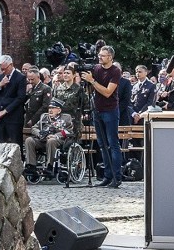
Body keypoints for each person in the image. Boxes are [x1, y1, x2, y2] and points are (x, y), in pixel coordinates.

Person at [81, 45, 123, 188]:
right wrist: (87, 82)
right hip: (97, 110)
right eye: (99, 55)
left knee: (113, 144)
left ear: (110, 57)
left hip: (110, 110)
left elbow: (107, 92)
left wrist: (92, 81)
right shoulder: (97, 69)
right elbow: (91, 90)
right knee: (102, 145)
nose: (100, 57)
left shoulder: (115, 71)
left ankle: (117, 176)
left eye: (103, 55)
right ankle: (107, 175)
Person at [24, 98, 74, 172]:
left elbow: (69, 131)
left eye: (53, 108)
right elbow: (34, 128)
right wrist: (40, 133)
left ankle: (50, 166)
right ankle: (31, 166)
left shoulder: (66, 118)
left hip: (58, 140)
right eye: (49, 108)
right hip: (42, 140)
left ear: (59, 110)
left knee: (51, 141)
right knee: (29, 140)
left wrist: (56, 135)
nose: (50, 110)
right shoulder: (44, 117)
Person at [0, 55, 27, 145]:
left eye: (4, 68)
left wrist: (6, 111)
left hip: (13, 117)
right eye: (1, 69)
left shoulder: (20, 77)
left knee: (15, 145)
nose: (3, 71)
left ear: (11, 65)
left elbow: (20, 98)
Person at [54, 64, 89, 134]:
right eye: (64, 73)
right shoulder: (58, 89)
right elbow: (54, 104)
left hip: (75, 121)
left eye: (68, 73)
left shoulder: (79, 89)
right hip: (61, 120)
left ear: (73, 75)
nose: (66, 75)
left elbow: (85, 103)